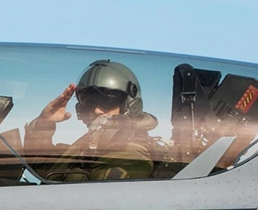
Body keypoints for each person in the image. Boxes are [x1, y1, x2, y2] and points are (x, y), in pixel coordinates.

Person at [24, 59, 159, 181]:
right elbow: (43, 167)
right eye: (90, 102)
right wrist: (43, 123)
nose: (96, 110)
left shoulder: (130, 154)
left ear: (131, 105)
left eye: (107, 101)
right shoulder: (87, 147)